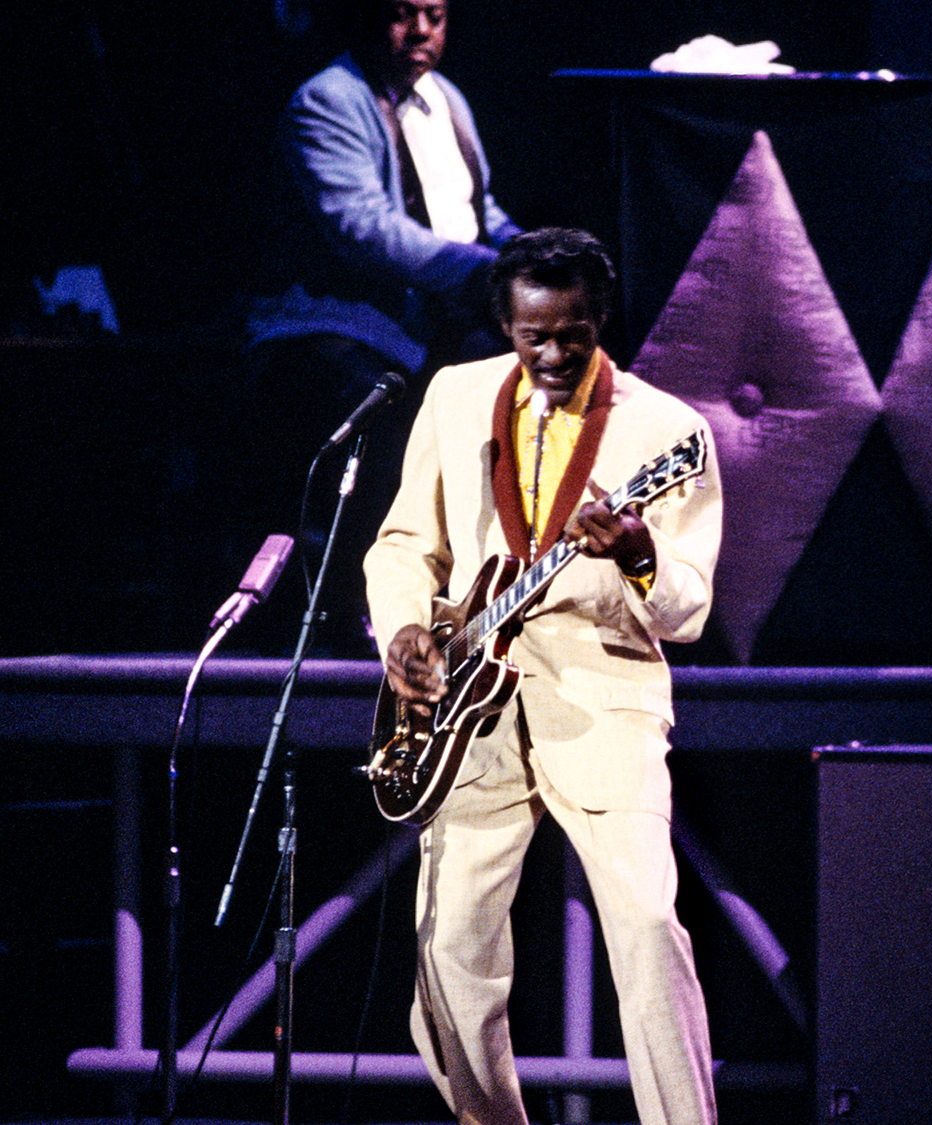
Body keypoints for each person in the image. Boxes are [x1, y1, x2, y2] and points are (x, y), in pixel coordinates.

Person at [365, 228, 722, 1123]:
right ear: (506, 325)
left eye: (575, 334)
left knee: (645, 928)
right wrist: (407, 628)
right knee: (449, 955)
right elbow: (406, 542)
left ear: (602, 321)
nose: (555, 353)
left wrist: (640, 552)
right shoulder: (454, 397)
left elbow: (689, 609)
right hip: (466, 710)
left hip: (604, 697)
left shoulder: (669, 430)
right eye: (536, 336)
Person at [238, 0, 523, 650]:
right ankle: (355, 607)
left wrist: (533, 253)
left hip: (425, 322)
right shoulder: (328, 100)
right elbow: (364, 229)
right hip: (331, 324)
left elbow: (478, 210)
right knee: (375, 397)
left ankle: (486, 599)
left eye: (436, 15)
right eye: (401, 13)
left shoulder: (445, 98)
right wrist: (490, 272)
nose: (421, 31)